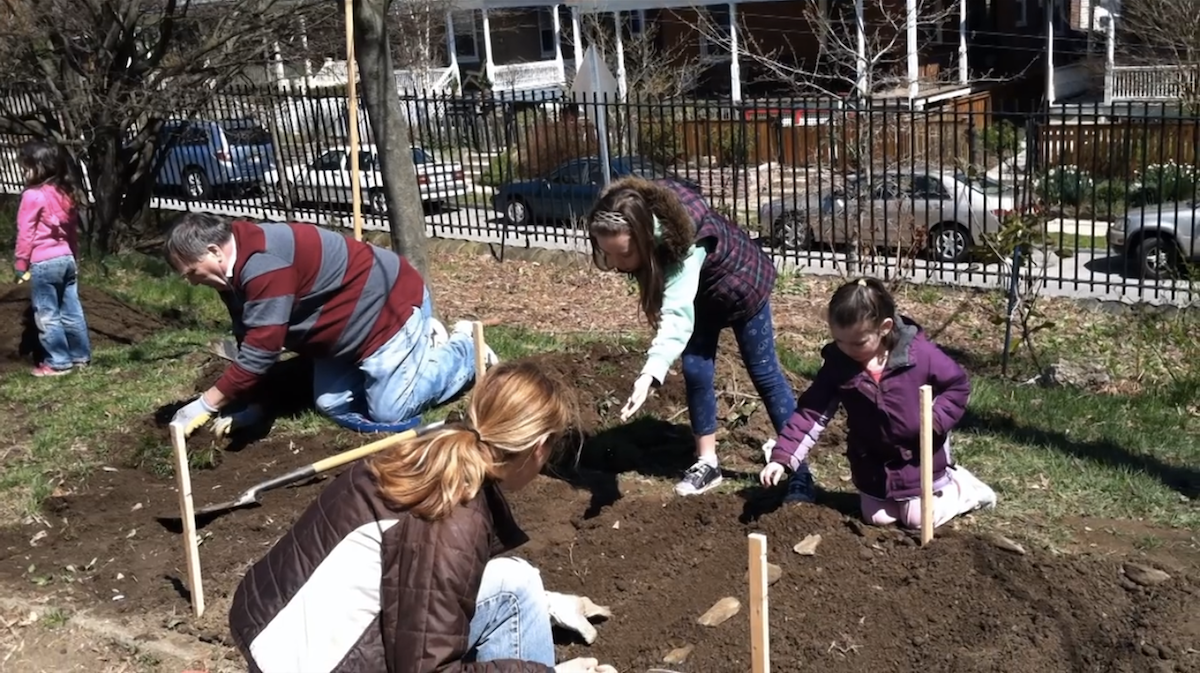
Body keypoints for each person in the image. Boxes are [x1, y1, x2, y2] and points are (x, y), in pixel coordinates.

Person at [228, 360, 618, 673]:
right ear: (538, 447)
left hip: (273, 634)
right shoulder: (452, 519)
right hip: (317, 662)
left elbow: (420, 587)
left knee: (516, 582)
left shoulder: (428, 454)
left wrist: (542, 607)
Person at [586, 176, 815, 501]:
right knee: (695, 369)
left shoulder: (684, 247)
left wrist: (651, 372)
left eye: (624, 255)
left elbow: (677, 318)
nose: (617, 266)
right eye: (609, 254)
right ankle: (707, 464)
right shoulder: (630, 209)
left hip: (741, 284)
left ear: (646, 237)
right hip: (699, 297)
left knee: (765, 373)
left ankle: (799, 469)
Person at [163, 213, 493, 437]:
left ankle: (464, 346)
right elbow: (249, 338)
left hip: (387, 313)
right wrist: (257, 407)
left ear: (212, 251)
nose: (192, 283)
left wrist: (204, 405)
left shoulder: (263, 265)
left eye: (191, 272)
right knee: (332, 404)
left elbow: (262, 350)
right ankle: (421, 348)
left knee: (391, 413)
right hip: (345, 335)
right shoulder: (230, 274)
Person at [760, 277, 997, 529]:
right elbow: (811, 412)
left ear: (884, 327)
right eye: (839, 341)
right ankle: (897, 500)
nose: (847, 349)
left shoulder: (919, 355)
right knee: (877, 519)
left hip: (918, 457)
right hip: (872, 463)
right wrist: (782, 457)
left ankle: (964, 490)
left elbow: (957, 385)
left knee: (917, 520)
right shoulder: (839, 365)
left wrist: (936, 420)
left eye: (858, 342)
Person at [12, 140, 91, 377]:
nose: (24, 173)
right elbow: (72, 231)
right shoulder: (66, 193)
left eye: (26, 168)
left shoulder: (32, 196)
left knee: (47, 313)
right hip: (66, 259)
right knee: (72, 310)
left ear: (40, 167)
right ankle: (80, 356)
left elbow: (26, 233)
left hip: (44, 262)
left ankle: (57, 362)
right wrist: (73, 256)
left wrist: (20, 263)